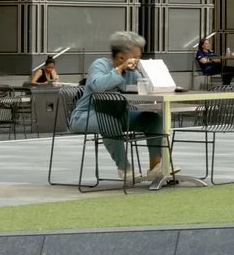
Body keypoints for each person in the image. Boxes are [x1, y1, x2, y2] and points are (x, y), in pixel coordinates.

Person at [71, 30, 170, 187]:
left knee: (153, 119)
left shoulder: (132, 72)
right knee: (109, 121)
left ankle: (156, 165)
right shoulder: (100, 65)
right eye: (135, 57)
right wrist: (119, 70)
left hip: (119, 114)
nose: (138, 61)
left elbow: (142, 89)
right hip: (87, 114)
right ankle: (125, 168)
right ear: (121, 56)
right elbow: (97, 85)